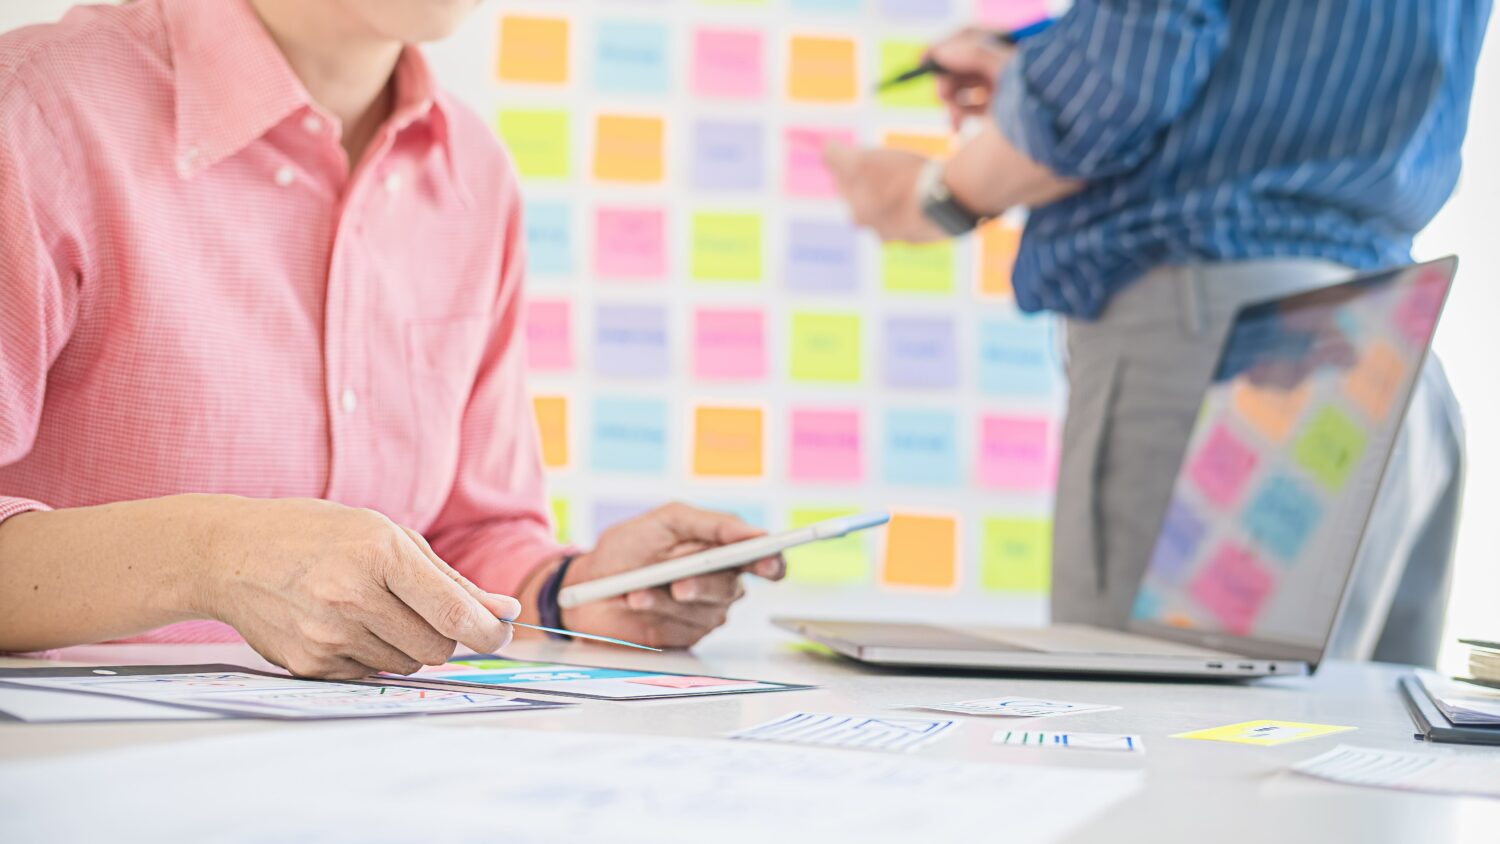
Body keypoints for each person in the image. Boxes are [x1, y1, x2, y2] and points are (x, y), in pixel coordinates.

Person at [0, 0, 783, 679]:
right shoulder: (38, 111)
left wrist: (568, 591)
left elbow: (466, 534)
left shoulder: (474, 175)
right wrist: (211, 556)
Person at [827, 0, 1487, 665]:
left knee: (1159, 736)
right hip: (1390, 350)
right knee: (1342, 748)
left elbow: (1128, 71)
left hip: (1221, 352)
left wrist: (934, 193)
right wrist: (1050, 74)